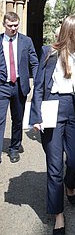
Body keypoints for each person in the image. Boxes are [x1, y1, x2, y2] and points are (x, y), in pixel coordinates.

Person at [30, 15, 75, 235]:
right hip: (52, 109)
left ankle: (70, 183)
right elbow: (40, 86)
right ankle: (58, 214)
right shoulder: (48, 53)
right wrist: (36, 117)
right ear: (70, 31)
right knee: (54, 166)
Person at [0, 11, 38, 164]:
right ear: (4, 25)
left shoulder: (26, 41)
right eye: (10, 26)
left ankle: (14, 148)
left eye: (16, 25)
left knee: (17, 119)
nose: (13, 28)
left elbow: (34, 62)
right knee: (0, 119)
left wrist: (37, 81)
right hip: (2, 85)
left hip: (19, 86)